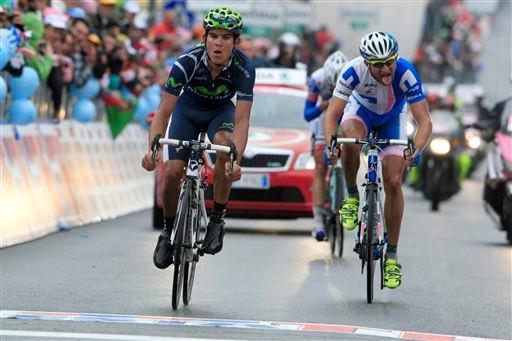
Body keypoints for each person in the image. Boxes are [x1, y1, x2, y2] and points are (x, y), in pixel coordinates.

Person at [141, 7, 255, 269]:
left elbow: (242, 120)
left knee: (225, 149)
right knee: (171, 172)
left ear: (236, 42)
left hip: (220, 113)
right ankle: (168, 232)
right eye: (213, 35)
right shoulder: (186, 62)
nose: (218, 42)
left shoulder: (245, 68)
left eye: (226, 38)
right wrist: (153, 149)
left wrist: (236, 159)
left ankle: (216, 219)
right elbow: (164, 112)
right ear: (205, 37)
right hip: (187, 112)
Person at [323, 32, 432, 288]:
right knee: (349, 140)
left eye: (390, 62)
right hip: (361, 113)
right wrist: (331, 145)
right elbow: (332, 115)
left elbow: (424, 121)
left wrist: (415, 148)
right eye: (378, 64)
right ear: (366, 63)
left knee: (394, 181)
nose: (386, 69)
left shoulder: (405, 72)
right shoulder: (352, 71)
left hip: (393, 119)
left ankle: (392, 257)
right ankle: (351, 196)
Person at [303, 51, 349, 240]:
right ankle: (318, 220)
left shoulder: (354, 76)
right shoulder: (317, 79)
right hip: (321, 121)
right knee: (320, 168)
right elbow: (307, 115)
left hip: (345, 119)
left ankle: (346, 199)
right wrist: (321, 107)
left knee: (349, 160)